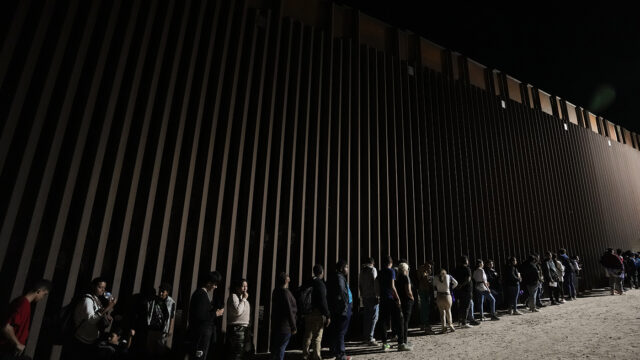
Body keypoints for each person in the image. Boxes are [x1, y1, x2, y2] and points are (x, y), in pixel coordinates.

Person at [65, 277, 117, 358]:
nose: (102, 290)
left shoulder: (97, 300)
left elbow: (99, 315)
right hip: (81, 340)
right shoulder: (87, 300)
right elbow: (92, 319)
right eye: (100, 287)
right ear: (93, 286)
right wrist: (109, 307)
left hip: (91, 340)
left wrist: (107, 316)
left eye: (104, 288)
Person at [0, 279, 51, 359]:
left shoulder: (21, 301)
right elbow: (7, 327)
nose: (42, 298)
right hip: (7, 350)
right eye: (44, 294)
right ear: (38, 291)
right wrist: (17, 344)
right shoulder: (24, 305)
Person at [187, 271, 223, 360]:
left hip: (201, 333)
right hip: (200, 334)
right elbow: (200, 315)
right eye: (215, 284)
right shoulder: (201, 294)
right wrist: (216, 313)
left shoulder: (202, 294)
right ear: (209, 283)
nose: (215, 287)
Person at [302, 265, 330, 360]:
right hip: (317, 313)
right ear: (322, 272)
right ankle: (317, 356)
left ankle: (305, 354)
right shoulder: (320, 284)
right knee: (317, 336)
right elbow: (323, 301)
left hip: (307, 311)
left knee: (307, 335)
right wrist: (327, 314)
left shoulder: (307, 282)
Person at [327, 260, 353, 360]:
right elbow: (343, 294)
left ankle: (334, 350)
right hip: (343, 309)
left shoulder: (337, 277)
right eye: (346, 267)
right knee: (341, 331)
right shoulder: (339, 278)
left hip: (341, 309)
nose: (347, 269)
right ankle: (341, 354)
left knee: (338, 330)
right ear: (342, 268)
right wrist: (345, 308)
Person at [377, 256, 404, 351]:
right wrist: (398, 298)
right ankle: (401, 343)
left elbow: (377, 286)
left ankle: (385, 344)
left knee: (383, 321)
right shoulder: (391, 271)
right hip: (391, 298)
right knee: (398, 319)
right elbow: (392, 286)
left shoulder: (379, 272)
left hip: (383, 298)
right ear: (391, 263)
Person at [270, 272, 297, 360]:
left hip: (277, 324)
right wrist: (293, 326)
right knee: (281, 348)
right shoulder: (285, 293)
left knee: (276, 348)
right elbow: (289, 310)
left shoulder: (276, 291)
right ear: (286, 280)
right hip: (285, 326)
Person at [144, 282, 176, 356]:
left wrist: (170, 329)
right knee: (150, 348)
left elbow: (172, 316)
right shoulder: (154, 299)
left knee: (160, 348)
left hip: (162, 329)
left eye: (163, 292)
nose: (160, 293)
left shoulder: (171, 302)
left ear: (167, 292)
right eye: (160, 291)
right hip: (152, 327)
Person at [452, 255, 479, 328]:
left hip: (458, 291)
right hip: (466, 290)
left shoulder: (456, 269)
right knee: (466, 306)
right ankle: (464, 322)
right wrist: (462, 285)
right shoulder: (467, 269)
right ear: (466, 261)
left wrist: (458, 286)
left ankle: (459, 321)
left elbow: (453, 278)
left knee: (461, 306)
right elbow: (468, 279)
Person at [226, 279, 250, 360]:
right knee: (237, 353)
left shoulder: (241, 297)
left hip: (244, 327)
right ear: (237, 287)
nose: (245, 288)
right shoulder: (234, 296)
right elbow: (237, 311)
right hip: (237, 328)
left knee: (243, 353)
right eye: (243, 286)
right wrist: (244, 299)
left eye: (246, 286)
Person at [358, 257, 379, 346]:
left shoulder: (362, 271)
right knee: (374, 317)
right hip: (372, 296)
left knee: (366, 317)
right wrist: (377, 295)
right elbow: (375, 283)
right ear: (373, 263)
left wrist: (362, 295)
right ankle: (370, 337)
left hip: (365, 297)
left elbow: (360, 285)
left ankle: (366, 337)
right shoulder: (373, 270)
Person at [433, 269, 457, 333]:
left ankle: (444, 327)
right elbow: (456, 283)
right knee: (448, 311)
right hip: (447, 296)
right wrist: (450, 288)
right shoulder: (449, 276)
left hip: (440, 296)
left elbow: (434, 288)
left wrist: (435, 297)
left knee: (442, 313)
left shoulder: (435, 278)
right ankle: (451, 325)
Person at [396, 262, 414, 350]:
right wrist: (412, 298)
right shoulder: (406, 277)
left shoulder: (398, 277)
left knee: (401, 321)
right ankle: (404, 342)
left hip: (400, 301)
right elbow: (408, 291)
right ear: (406, 269)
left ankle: (402, 341)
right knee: (405, 322)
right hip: (407, 301)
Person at [416, 261, 434, 334]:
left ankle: (424, 323)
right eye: (429, 267)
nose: (430, 269)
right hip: (423, 290)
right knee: (424, 307)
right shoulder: (422, 270)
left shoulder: (424, 270)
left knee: (425, 307)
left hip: (425, 290)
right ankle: (425, 323)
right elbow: (424, 279)